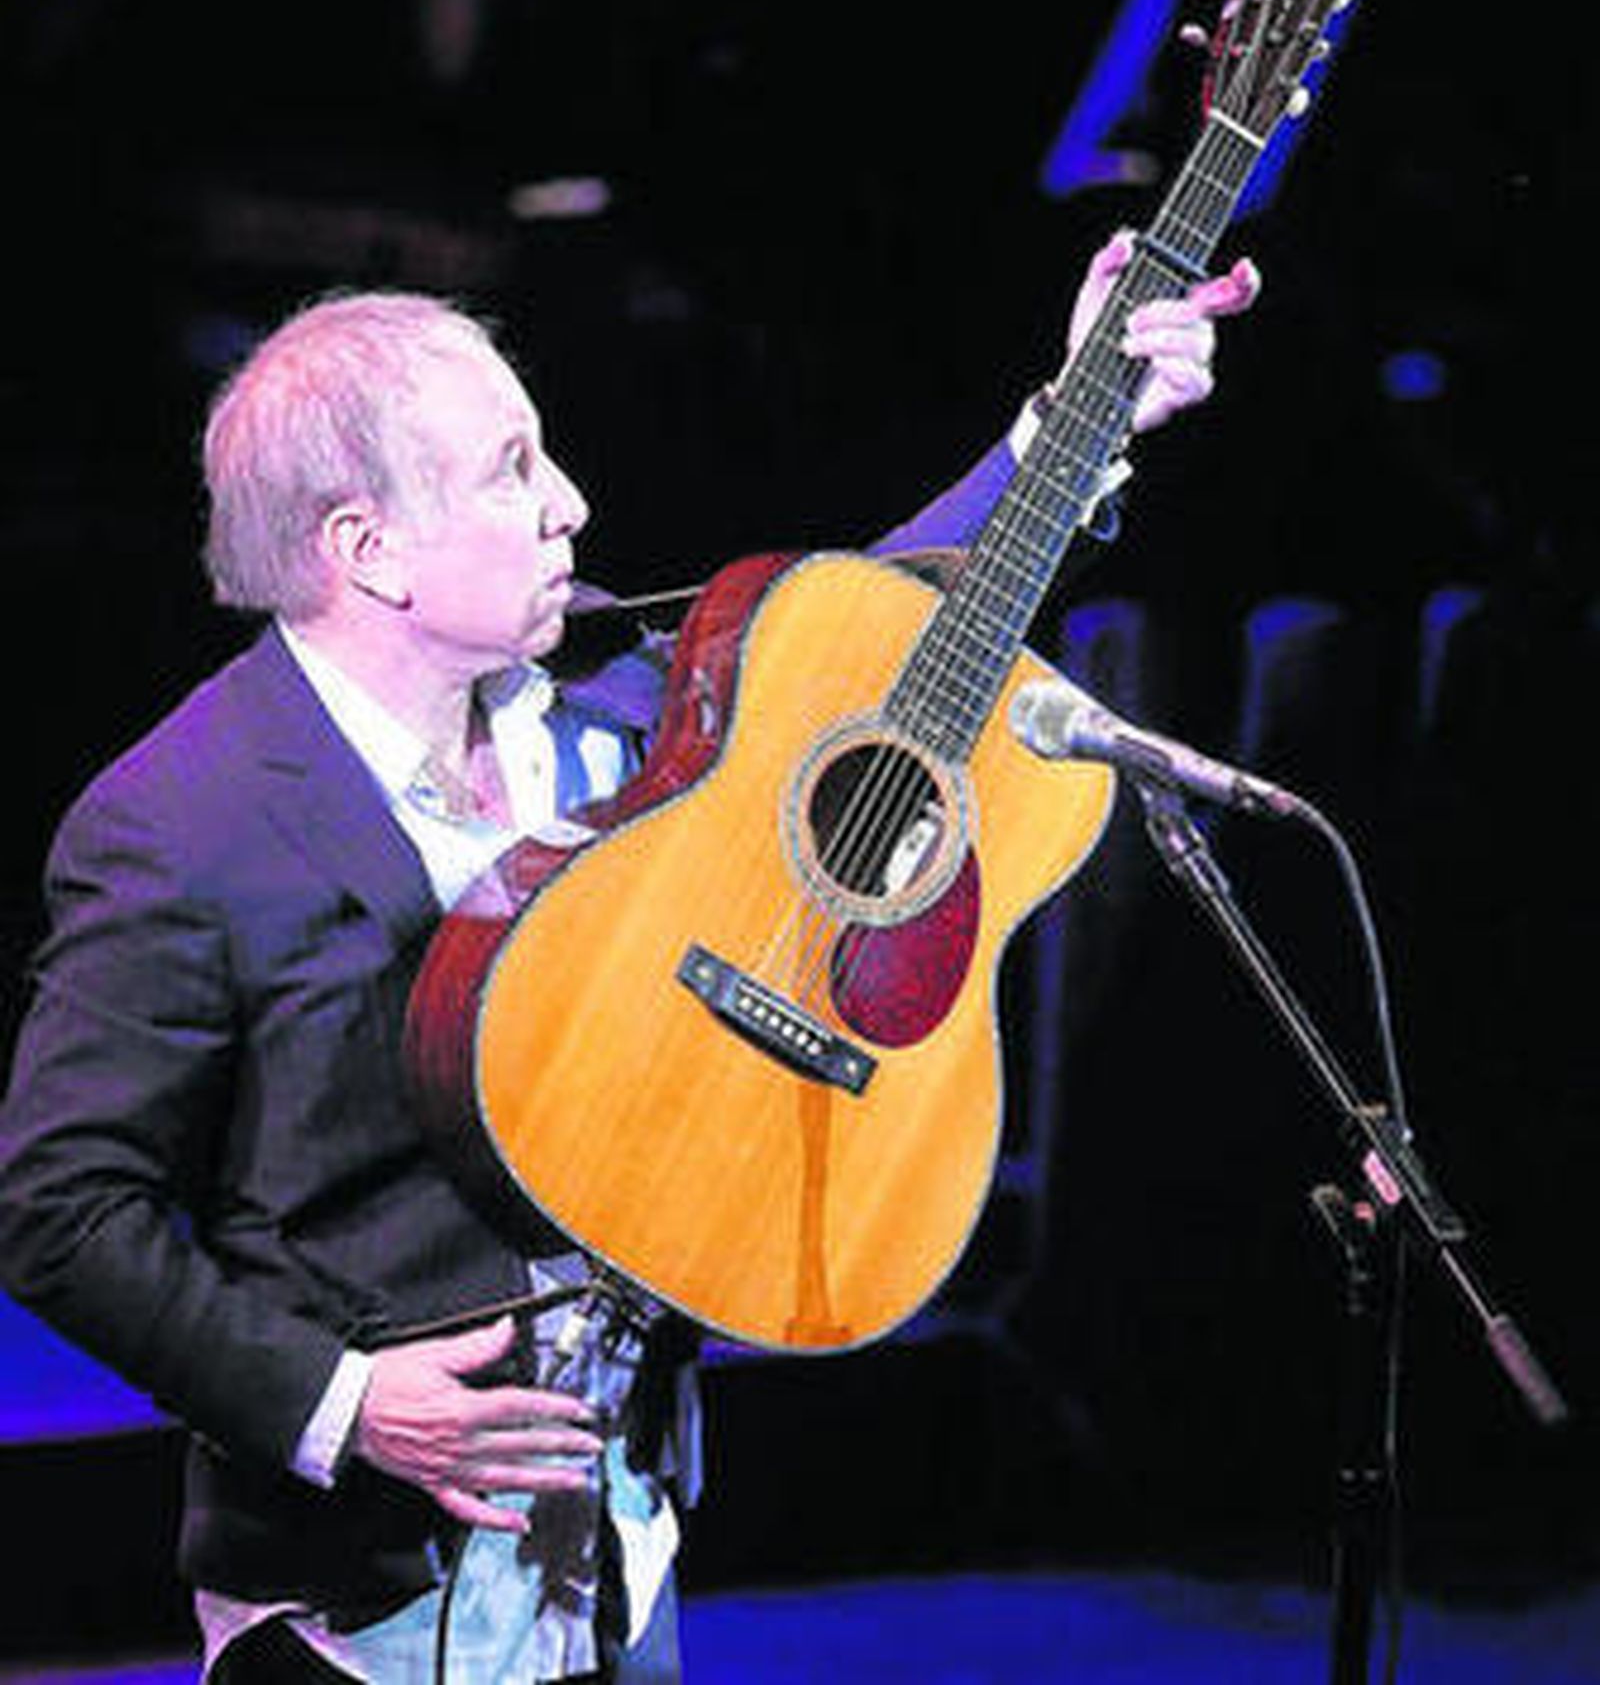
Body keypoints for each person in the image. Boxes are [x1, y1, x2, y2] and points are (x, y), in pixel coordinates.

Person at [0, 231, 1258, 1682]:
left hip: (617, 1554)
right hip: (354, 1602)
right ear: (366, 548)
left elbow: (888, 624)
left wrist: (1080, 411)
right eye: (510, 469)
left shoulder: (610, 705)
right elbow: (62, 1207)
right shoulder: (180, 820)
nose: (569, 505)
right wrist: (343, 1399)